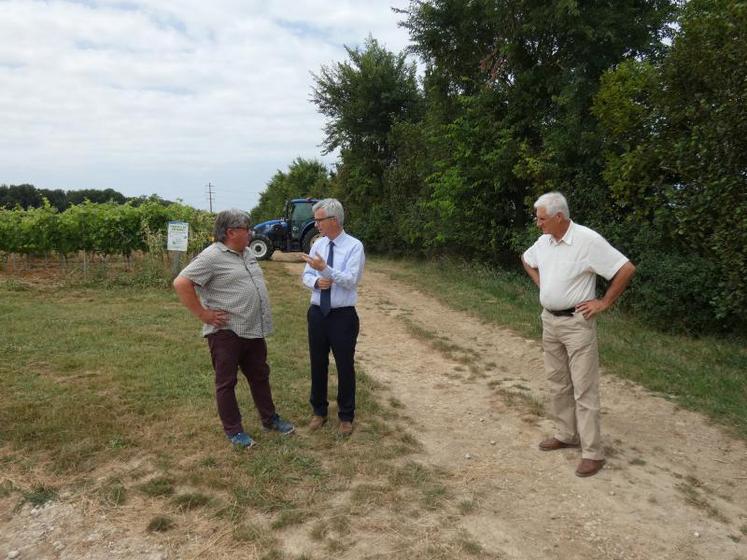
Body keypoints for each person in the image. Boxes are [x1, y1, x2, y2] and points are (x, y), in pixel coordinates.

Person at [522, 192, 635, 477]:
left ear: (560, 217)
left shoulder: (587, 240)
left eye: (542, 218)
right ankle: (565, 434)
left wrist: (604, 302)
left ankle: (593, 453)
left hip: (577, 324)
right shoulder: (544, 242)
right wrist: (543, 284)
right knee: (558, 382)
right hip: (550, 321)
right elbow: (527, 259)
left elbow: (625, 268)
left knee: (584, 388)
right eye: (538, 218)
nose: (538, 224)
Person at [173, 209, 294, 449]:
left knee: (260, 376)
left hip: (253, 329)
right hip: (227, 332)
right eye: (246, 229)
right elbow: (181, 282)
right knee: (226, 383)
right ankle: (234, 430)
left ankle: (269, 419)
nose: (250, 233)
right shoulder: (211, 256)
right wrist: (203, 314)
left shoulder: (246, 252)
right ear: (230, 232)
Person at [301, 198, 365, 436]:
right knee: (317, 363)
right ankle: (319, 411)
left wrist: (325, 269)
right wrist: (317, 280)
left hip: (342, 316)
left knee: (345, 365)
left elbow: (351, 280)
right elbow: (305, 276)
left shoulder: (354, 246)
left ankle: (346, 416)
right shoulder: (318, 245)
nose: (316, 225)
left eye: (318, 220)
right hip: (318, 313)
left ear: (333, 220)